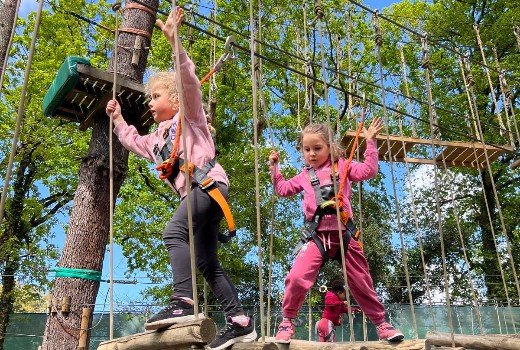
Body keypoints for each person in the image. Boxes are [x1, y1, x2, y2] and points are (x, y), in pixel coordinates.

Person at [105, 8, 256, 350]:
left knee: (174, 232)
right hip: (200, 196)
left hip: (208, 186)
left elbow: (188, 83)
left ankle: (182, 301)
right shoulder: (156, 140)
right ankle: (240, 321)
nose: (150, 101)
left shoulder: (190, 118)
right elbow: (132, 140)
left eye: (155, 95)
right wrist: (117, 120)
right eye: (150, 97)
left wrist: (176, 46)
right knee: (205, 261)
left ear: (174, 100)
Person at [269, 118, 404, 343]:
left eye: (317, 148)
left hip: (343, 235)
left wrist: (370, 142)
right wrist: (275, 168)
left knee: (361, 281)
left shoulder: (343, 166)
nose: (311, 154)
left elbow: (369, 171)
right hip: (317, 236)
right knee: (295, 278)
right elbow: (282, 189)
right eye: (306, 149)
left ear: (330, 148)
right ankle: (287, 321)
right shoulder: (304, 176)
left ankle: (381, 324)